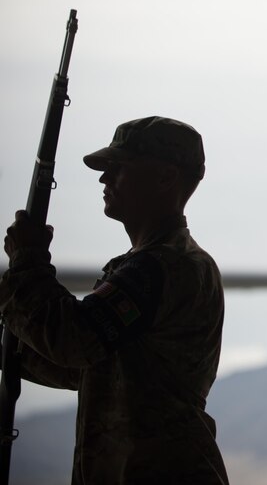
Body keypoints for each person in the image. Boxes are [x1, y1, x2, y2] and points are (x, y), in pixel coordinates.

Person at [0, 116, 229, 484]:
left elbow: (74, 341)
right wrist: (13, 342)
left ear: (165, 178)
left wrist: (27, 261)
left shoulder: (161, 267)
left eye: (118, 168)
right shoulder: (158, 264)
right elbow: (97, 369)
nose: (105, 179)